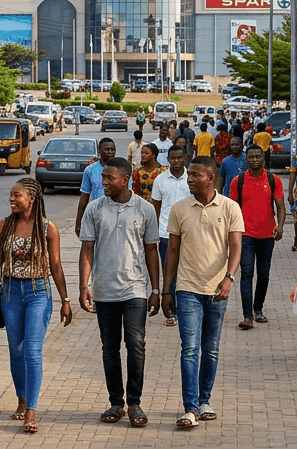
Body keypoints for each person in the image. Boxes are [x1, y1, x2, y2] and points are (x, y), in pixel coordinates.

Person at [0, 177, 71, 434]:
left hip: (37, 292)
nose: (11, 199)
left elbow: (55, 265)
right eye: (10, 195)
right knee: (16, 350)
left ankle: (30, 410)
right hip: (10, 292)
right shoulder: (4, 225)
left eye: (16, 195)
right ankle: (21, 398)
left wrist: (65, 300)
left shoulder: (47, 228)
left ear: (31, 198)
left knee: (32, 350)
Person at [162, 155, 243, 429]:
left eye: (196, 175)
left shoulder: (230, 207)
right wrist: (166, 290)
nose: (190, 179)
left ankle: (205, 400)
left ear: (211, 178)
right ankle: (191, 407)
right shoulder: (179, 209)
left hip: (218, 289)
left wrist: (229, 278)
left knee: (211, 349)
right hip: (187, 289)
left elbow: (235, 246)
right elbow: (172, 250)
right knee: (190, 349)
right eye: (189, 175)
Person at [80, 157, 160, 426]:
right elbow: (87, 249)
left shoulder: (144, 209)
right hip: (104, 290)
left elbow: (152, 250)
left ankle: (135, 402)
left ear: (125, 180)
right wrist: (84, 285)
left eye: (109, 178)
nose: (103, 182)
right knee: (109, 347)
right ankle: (116, 402)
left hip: (135, 288)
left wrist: (156, 289)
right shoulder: (94, 209)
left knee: (136, 344)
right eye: (102, 177)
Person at [227, 145, 283, 330]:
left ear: (263, 158)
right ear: (247, 159)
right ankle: (247, 316)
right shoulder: (239, 181)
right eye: (251, 157)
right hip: (245, 235)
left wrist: (280, 226)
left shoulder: (273, 180)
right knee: (247, 273)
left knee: (264, 274)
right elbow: (232, 209)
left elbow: (280, 206)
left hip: (267, 234)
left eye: (258, 157)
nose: (255, 160)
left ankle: (258, 309)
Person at [153, 145, 191, 327]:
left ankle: (187, 310)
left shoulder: (191, 180)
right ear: (167, 159)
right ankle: (172, 311)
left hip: (189, 234)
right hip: (166, 234)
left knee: (187, 272)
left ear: (185, 159)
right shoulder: (160, 180)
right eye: (173, 158)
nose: (176, 161)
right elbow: (156, 208)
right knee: (170, 272)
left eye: (179, 158)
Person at [75, 137, 119, 232]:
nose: (110, 152)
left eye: (112, 149)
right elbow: (84, 196)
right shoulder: (90, 170)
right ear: (99, 151)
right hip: (98, 216)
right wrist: (78, 222)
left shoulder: (121, 169)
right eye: (107, 149)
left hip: (118, 215)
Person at [217, 135, 245, 204]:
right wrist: (218, 195)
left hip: (244, 194)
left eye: (237, 144)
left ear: (242, 145)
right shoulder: (225, 161)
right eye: (232, 145)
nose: (234, 147)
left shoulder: (247, 159)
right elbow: (221, 179)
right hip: (228, 194)